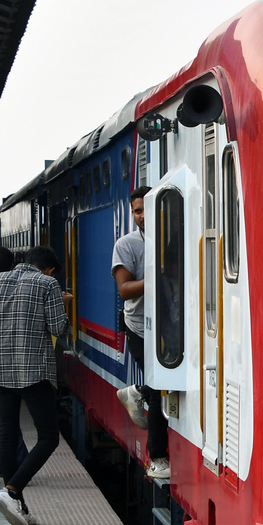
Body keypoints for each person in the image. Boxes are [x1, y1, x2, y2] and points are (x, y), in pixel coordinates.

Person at [0, 245, 69, 525]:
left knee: (8, 432)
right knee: (48, 438)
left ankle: (17, 503)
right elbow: (59, 328)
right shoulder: (48, 284)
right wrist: (62, 302)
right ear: (48, 268)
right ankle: (12, 491)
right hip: (33, 371)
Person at [111, 188, 169, 479]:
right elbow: (124, 290)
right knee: (160, 388)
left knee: (161, 385)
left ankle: (136, 392)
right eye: (136, 211)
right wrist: (160, 276)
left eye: (146, 208)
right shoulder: (127, 245)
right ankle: (157, 459)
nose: (142, 216)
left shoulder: (174, 234)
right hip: (139, 326)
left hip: (172, 324)